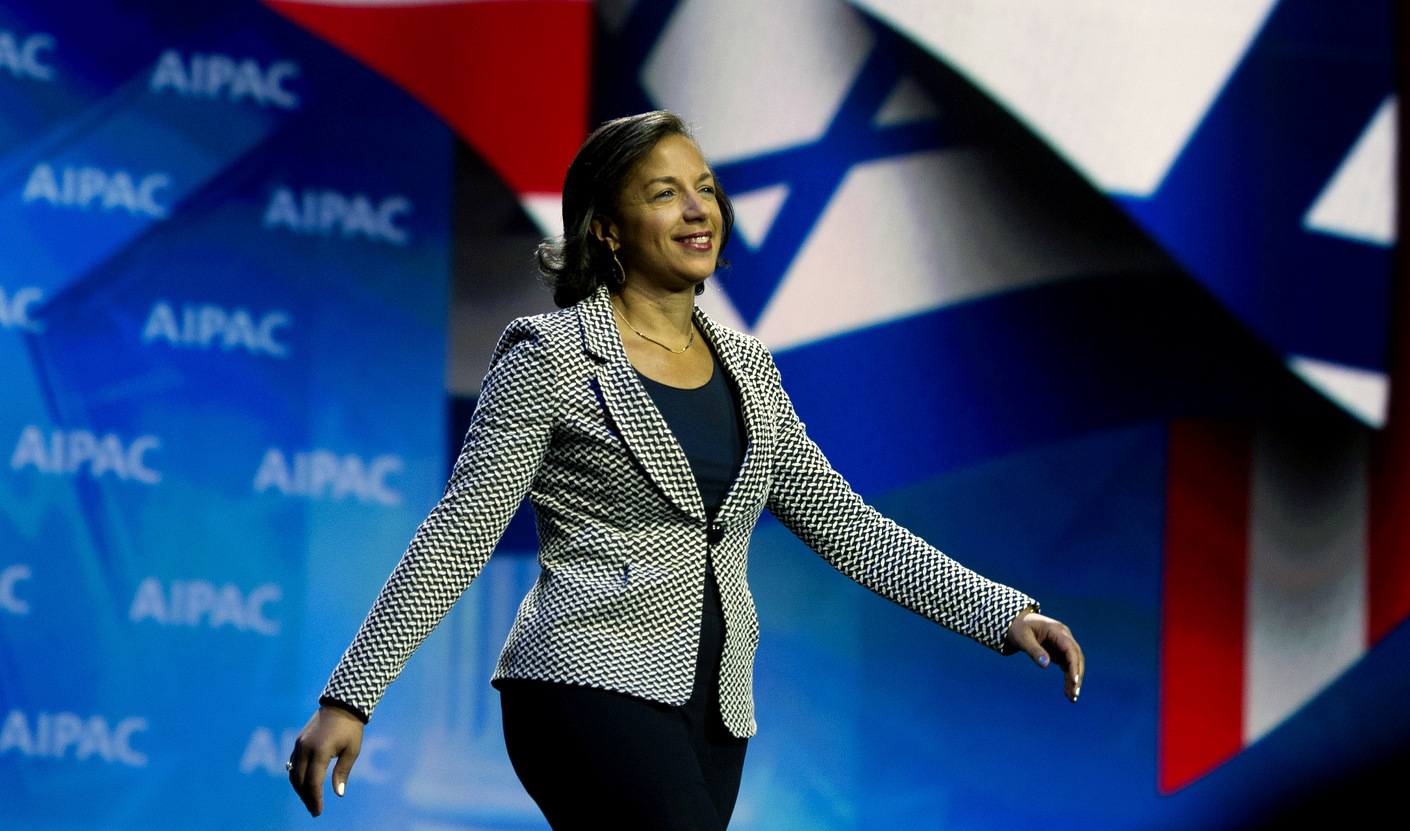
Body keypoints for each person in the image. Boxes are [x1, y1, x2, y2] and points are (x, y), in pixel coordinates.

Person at [287, 111, 1085, 829]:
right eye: (665, 192)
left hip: (714, 706)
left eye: (705, 187)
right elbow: (459, 531)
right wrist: (348, 696)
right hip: (584, 680)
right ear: (606, 228)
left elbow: (848, 526)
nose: (699, 208)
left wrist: (1000, 613)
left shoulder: (749, 368)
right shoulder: (551, 356)